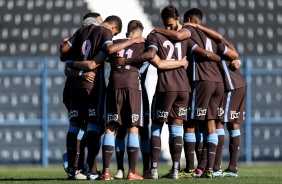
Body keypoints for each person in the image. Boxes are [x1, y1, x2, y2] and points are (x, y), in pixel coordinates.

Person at [60, 15, 145, 180]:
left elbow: (64, 54)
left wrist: (76, 66)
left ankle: (73, 168)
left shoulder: (79, 32)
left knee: (74, 127)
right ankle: (91, 171)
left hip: (73, 87)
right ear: (113, 28)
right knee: (94, 126)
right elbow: (107, 52)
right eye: (114, 34)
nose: (112, 37)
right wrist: (132, 41)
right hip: (93, 86)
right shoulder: (104, 32)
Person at [153, 6, 234, 178]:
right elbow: (228, 51)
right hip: (218, 81)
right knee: (211, 122)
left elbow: (192, 46)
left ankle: (192, 168)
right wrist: (221, 60)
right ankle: (212, 168)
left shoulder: (186, 31)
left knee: (190, 124)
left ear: (187, 20)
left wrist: (158, 30)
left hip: (201, 81)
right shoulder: (211, 34)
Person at [185, 9, 246, 177]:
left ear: (189, 21)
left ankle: (215, 168)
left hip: (229, 85)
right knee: (227, 125)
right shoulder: (211, 39)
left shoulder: (206, 39)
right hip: (234, 84)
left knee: (215, 123)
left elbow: (232, 52)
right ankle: (223, 168)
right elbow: (233, 51)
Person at [59, 12, 103, 180]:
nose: (100, 27)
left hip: (82, 88)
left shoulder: (87, 40)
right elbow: (65, 58)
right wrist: (81, 73)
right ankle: (76, 165)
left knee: (87, 129)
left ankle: (77, 164)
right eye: (99, 23)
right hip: (76, 89)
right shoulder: (77, 40)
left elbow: (63, 53)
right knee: (84, 127)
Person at [113, 61, 151, 179]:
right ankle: (121, 169)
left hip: (139, 92)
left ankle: (145, 169)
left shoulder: (140, 49)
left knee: (143, 130)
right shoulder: (138, 49)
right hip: (132, 91)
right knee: (122, 129)